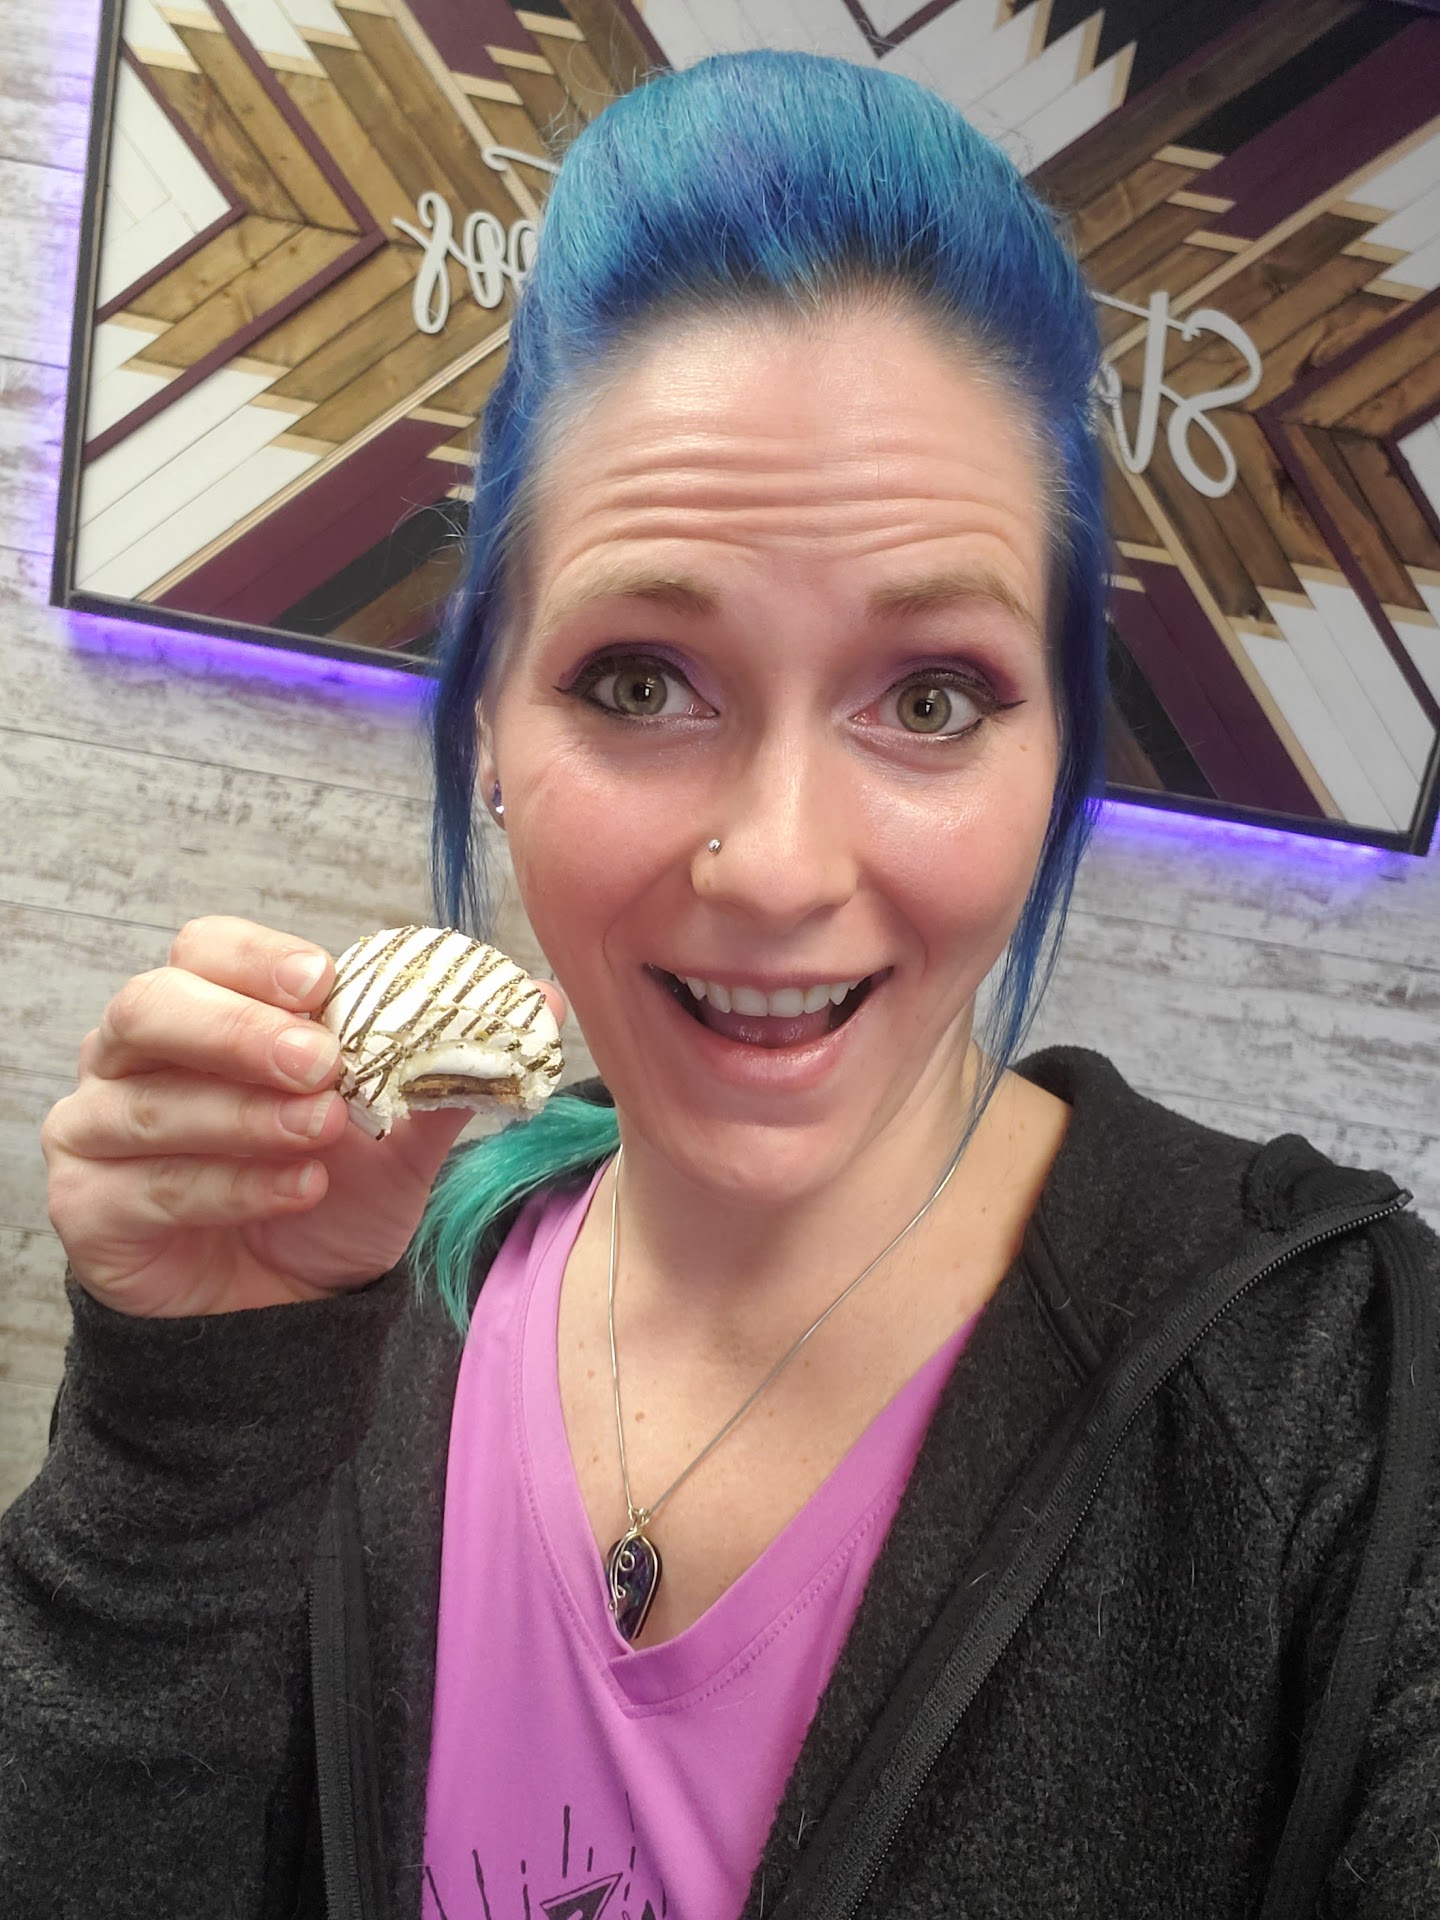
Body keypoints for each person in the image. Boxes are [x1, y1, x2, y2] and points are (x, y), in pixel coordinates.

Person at [3, 47, 1437, 1920]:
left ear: (1057, 756)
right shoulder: (365, 1311)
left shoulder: (1342, 1416)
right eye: (638, 682)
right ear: (490, 720)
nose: (775, 865)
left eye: (933, 698)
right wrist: (184, 1434)